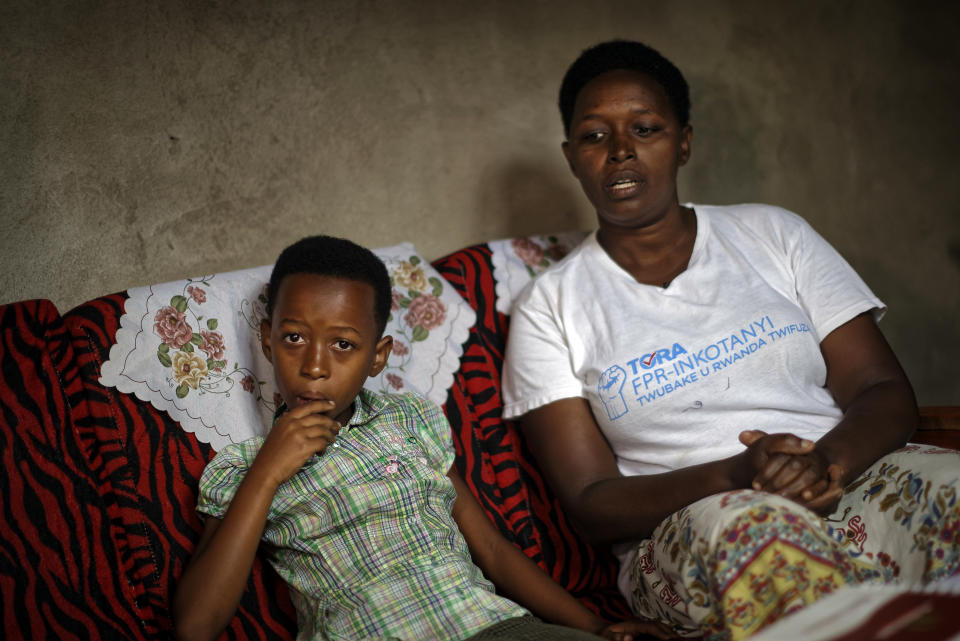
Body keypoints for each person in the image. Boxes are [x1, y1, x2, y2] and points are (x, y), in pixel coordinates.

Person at [501, 40, 959, 641]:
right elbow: (590, 501)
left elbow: (881, 390)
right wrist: (741, 472)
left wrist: (824, 463)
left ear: (683, 141)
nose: (620, 152)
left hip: (846, 471)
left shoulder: (773, 233)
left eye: (645, 127)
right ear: (571, 157)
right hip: (692, 521)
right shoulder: (548, 306)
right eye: (594, 136)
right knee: (760, 533)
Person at [172, 235, 676, 641]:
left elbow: (492, 551)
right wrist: (267, 473)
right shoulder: (241, 469)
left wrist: (595, 627)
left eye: (343, 345)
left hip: (495, 628)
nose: (315, 366)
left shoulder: (409, 420)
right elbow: (195, 626)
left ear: (378, 356)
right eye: (294, 338)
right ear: (267, 340)